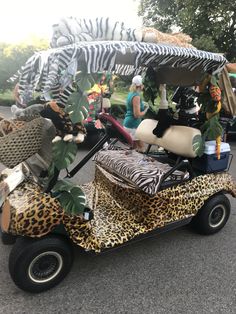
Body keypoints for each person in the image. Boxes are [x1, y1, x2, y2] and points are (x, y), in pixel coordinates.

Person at [123, 75, 148, 151]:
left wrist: (142, 104)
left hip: (128, 123)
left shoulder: (131, 93)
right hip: (133, 125)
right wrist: (146, 110)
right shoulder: (136, 96)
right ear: (140, 85)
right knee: (142, 149)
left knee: (133, 149)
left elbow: (132, 106)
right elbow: (137, 115)